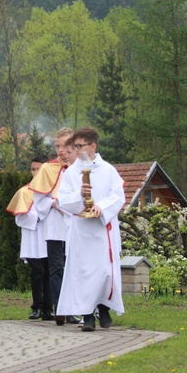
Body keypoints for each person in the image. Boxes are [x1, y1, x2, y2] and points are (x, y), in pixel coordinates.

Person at [56, 127, 125, 331]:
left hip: (102, 229)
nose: (76, 150)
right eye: (75, 146)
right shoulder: (71, 172)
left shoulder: (108, 170)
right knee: (83, 273)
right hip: (81, 231)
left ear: (93, 146)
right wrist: (80, 197)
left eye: (80, 146)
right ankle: (87, 316)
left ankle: (103, 307)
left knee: (104, 272)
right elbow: (63, 200)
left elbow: (118, 196)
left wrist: (101, 207)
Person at [29, 127, 79, 326]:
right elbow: (38, 198)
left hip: (75, 222)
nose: (60, 150)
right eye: (57, 146)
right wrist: (54, 203)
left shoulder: (79, 167)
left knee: (74, 266)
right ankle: (61, 308)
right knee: (56, 267)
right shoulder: (47, 169)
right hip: (55, 224)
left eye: (64, 145)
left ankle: (76, 308)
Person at [7, 155, 53, 320]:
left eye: (39, 169)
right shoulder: (24, 192)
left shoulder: (53, 190)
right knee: (37, 271)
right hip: (33, 237)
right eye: (33, 169)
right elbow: (20, 217)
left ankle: (49, 308)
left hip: (49, 235)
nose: (35, 172)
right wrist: (40, 215)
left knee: (49, 272)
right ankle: (36, 306)